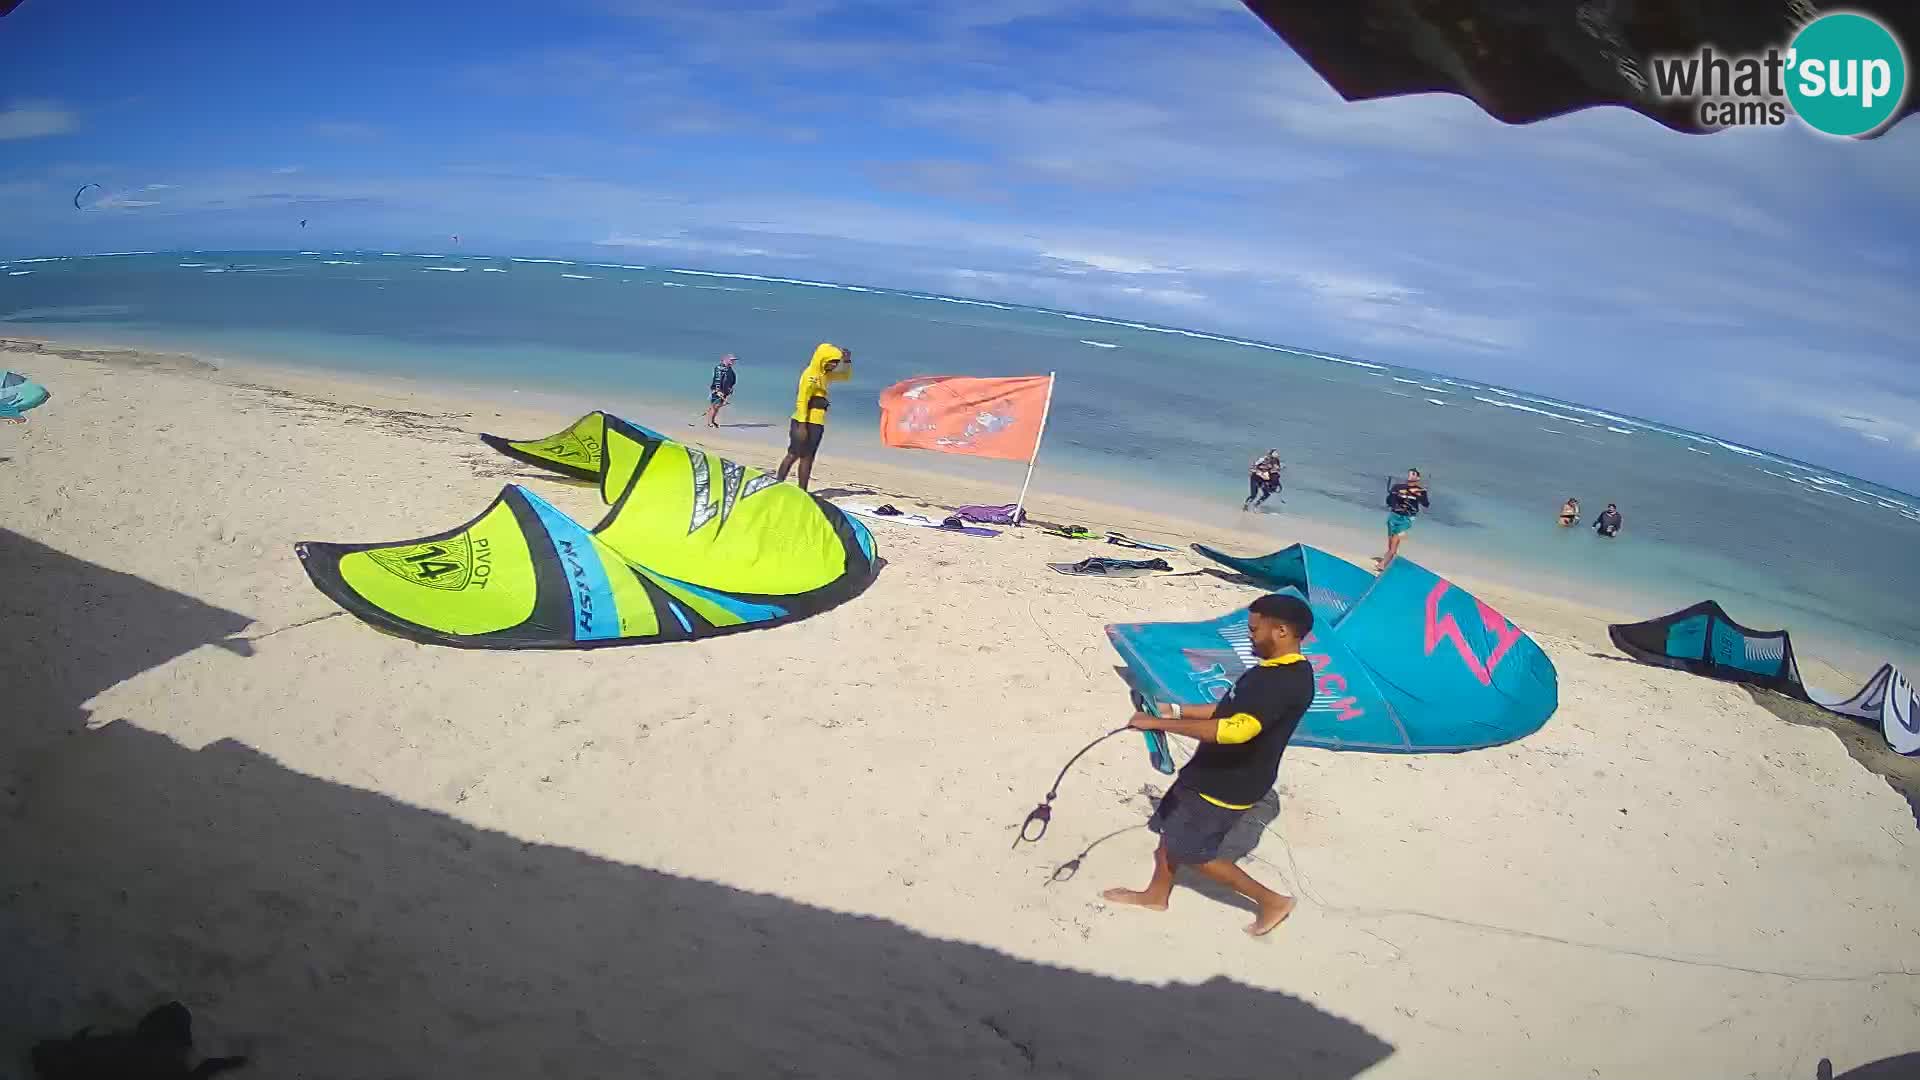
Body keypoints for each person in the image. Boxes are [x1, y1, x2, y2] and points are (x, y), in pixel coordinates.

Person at [1102, 592, 1316, 937]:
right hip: (1209, 770)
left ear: (1281, 631)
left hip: (1229, 782)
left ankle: (1272, 901)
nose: (1250, 636)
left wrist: (1159, 725)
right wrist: (1174, 711)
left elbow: (1234, 731)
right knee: (1170, 832)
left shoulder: (1284, 682)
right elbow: (1229, 708)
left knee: (1194, 852)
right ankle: (1156, 895)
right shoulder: (1272, 670)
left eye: (1254, 630)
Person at [776, 343, 851, 491]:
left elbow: (845, 377)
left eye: (836, 363)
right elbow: (802, 400)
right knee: (793, 454)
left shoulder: (824, 375)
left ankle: (802, 490)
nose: (834, 366)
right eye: (832, 362)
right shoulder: (810, 375)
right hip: (803, 421)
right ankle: (777, 484)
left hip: (817, 422)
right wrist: (802, 426)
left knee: (808, 457)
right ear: (823, 359)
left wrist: (847, 362)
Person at [1377, 467, 1429, 570]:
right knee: (1391, 544)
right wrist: (1394, 501)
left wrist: (1420, 495)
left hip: (1407, 520)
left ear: (1418, 478)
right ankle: (1390, 564)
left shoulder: (1421, 490)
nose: (1411, 475)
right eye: (1410, 474)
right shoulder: (1398, 487)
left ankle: (1382, 564)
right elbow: (1389, 501)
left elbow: (1426, 504)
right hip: (1394, 517)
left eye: (1413, 474)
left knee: (1394, 542)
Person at [703, 354, 738, 428]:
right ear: (726, 360)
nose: (733, 361)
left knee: (717, 407)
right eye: (731, 360)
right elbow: (717, 380)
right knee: (715, 407)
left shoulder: (729, 369)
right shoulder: (719, 368)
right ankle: (710, 423)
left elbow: (732, 380)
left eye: (734, 360)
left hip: (725, 391)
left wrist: (730, 388)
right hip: (717, 391)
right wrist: (718, 391)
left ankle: (711, 419)